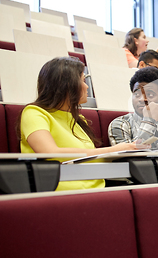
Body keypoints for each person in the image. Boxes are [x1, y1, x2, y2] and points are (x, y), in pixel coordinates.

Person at [19, 57, 144, 191]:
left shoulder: (79, 119)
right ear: (67, 84)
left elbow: (88, 159)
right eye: (83, 81)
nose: (87, 86)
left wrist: (126, 151)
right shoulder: (33, 112)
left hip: (98, 190)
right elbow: (49, 152)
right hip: (61, 193)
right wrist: (111, 150)